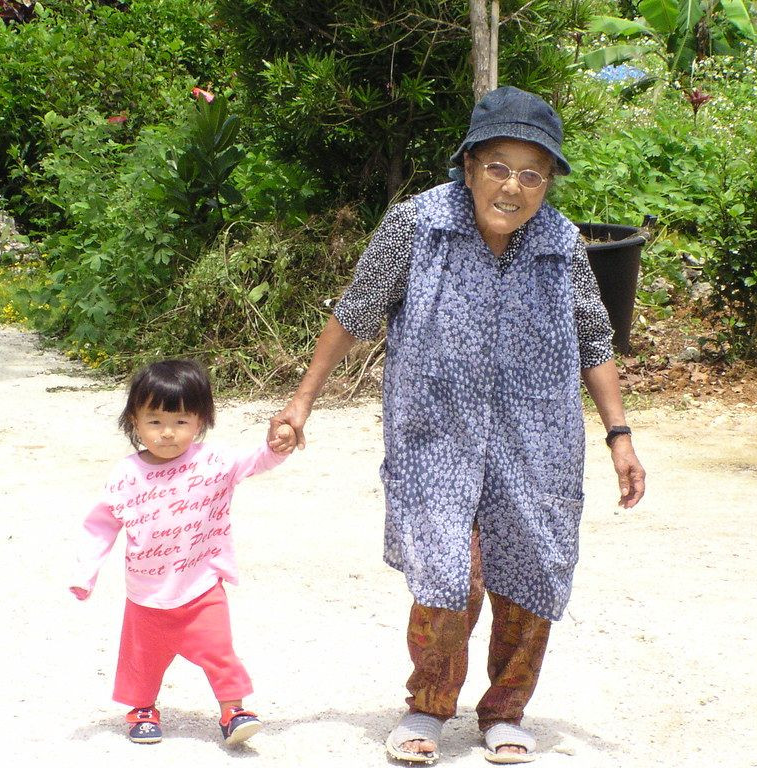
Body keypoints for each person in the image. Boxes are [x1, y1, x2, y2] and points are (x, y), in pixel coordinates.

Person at [268, 86, 646, 764]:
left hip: (537, 443)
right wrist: (301, 402)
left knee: (530, 571)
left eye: (534, 173)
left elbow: (593, 339)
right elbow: (356, 311)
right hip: (435, 435)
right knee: (449, 574)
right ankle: (427, 707)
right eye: (499, 165)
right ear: (469, 165)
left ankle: (505, 712)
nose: (514, 186)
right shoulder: (418, 225)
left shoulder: (561, 243)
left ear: (548, 182)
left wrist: (620, 436)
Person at [71, 358, 296, 745]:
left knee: (219, 651)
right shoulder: (127, 475)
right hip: (146, 594)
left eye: (181, 421)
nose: (167, 433)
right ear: (134, 422)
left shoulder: (214, 461)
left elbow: (258, 460)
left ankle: (233, 710)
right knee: (141, 661)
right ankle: (142, 708)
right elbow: (101, 525)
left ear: (200, 422)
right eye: (154, 421)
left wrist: (279, 444)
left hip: (202, 587)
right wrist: (84, 572)